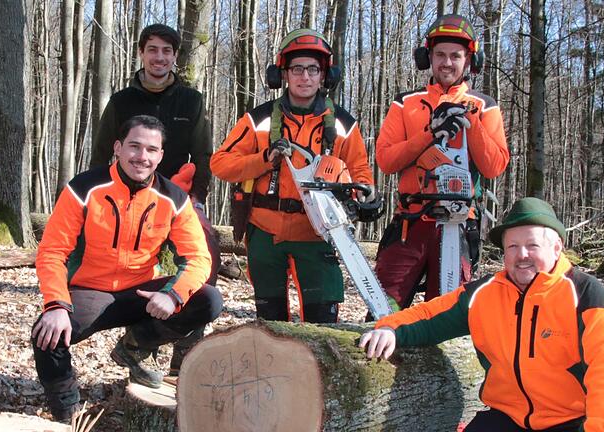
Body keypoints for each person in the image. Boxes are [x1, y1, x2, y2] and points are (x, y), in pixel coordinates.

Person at [360, 197, 604, 432]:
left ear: (556, 248)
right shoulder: (484, 294)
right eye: (512, 247)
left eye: (532, 245)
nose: (521, 255)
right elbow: (430, 314)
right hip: (506, 418)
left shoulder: (586, 295)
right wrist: (390, 328)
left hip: (569, 421)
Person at [32, 115, 224, 421]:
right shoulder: (84, 188)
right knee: (46, 333)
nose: (142, 157)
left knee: (208, 300)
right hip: (91, 292)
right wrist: (56, 304)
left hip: (142, 294)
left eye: (151, 150)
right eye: (134, 147)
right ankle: (66, 412)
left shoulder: (173, 198)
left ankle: (135, 345)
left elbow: (198, 257)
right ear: (118, 148)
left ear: (161, 155)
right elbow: (53, 251)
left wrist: (173, 294)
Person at [210, 29, 374, 323]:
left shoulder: (343, 124)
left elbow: (361, 172)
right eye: (297, 69)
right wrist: (264, 159)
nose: (305, 77)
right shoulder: (258, 120)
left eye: (313, 69)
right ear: (282, 74)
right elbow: (220, 164)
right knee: (270, 320)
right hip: (265, 229)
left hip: (318, 231)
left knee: (323, 319)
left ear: (325, 75)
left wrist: (364, 195)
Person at [89, 23, 220, 374]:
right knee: (138, 271)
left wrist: (198, 198)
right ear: (141, 54)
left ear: (175, 57)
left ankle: (183, 352)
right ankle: (138, 345)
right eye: (153, 50)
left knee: (204, 263)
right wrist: (98, 201)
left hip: (177, 201)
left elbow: (204, 155)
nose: (159, 57)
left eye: (166, 51)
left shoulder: (190, 100)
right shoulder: (121, 102)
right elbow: (101, 154)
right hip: (127, 203)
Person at [375, 14, 509, 309]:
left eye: (455, 56)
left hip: (460, 223)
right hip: (411, 222)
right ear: (428, 57)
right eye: (440, 55)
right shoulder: (405, 103)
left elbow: (494, 166)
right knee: (383, 306)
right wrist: (429, 134)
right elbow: (386, 160)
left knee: (446, 312)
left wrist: (471, 122)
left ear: (470, 60)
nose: (447, 63)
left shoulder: (484, 106)